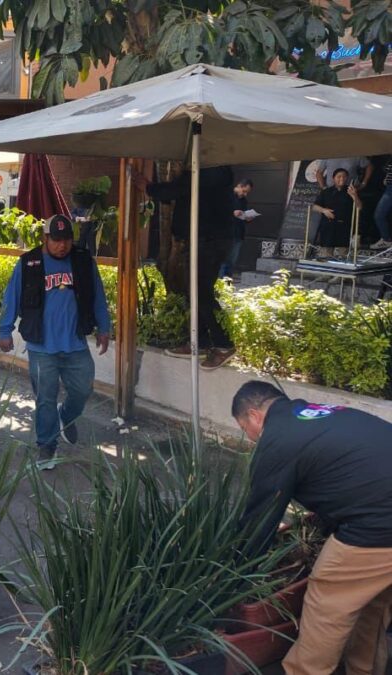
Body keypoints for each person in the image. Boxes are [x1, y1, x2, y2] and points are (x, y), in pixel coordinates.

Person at [231, 380, 392, 674]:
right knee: (372, 602)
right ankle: (363, 669)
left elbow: (259, 522)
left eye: (245, 429)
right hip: (381, 513)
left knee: (327, 599)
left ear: (254, 415)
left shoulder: (277, 439)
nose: (251, 439)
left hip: (379, 523)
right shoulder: (318, 414)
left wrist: (233, 577)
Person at [0, 215, 110, 470]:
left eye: (67, 240)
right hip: (41, 347)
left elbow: (98, 296)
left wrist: (104, 327)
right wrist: (5, 330)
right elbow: (11, 297)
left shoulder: (82, 261)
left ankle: (67, 418)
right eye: (56, 240)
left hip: (75, 344)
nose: (62, 245)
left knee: (83, 390)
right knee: (45, 399)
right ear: (45, 239)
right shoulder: (29, 263)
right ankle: (47, 445)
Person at [141, 166, 237, 369]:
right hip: (201, 239)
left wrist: (149, 188)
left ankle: (223, 344)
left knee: (200, 292)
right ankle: (200, 342)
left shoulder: (214, 169)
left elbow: (181, 189)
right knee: (194, 292)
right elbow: (183, 194)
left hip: (209, 240)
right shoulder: (203, 170)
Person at [312, 168, 362, 258]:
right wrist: (324, 210)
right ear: (333, 178)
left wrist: (354, 196)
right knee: (326, 257)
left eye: (344, 176)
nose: (342, 179)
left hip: (344, 229)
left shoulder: (351, 191)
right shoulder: (326, 192)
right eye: (339, 176)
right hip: (328, 228)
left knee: (342, 257)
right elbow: (314, 206)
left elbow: (360, 207)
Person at [219, 178, 255, 278]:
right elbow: (218, 212)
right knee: (223, 261)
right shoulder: (227, 196)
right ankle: (219, 285)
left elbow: (243, 215)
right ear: (239, 186)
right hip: (226, 233)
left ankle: (228, 286)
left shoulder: (243, 200)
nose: (245, 194)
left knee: (232, 262)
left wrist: (248, 218)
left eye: (247, 192)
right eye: (244, 191)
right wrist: (232, 213)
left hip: (238, 234)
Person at [368, 156, 392, 250]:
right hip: (389, 188)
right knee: (379, 215)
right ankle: (386, 240)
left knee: (379, 215)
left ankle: (386, 239)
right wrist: (387, 179)